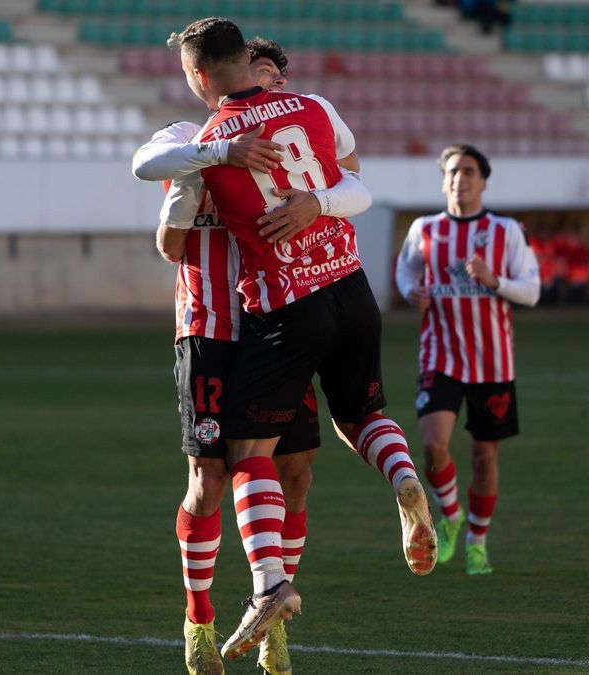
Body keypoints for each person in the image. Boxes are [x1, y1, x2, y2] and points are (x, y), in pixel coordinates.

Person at [166, 17, 438, 662]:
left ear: (201, 75)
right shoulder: (301, 114)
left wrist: (248, 169)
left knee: (256, 455)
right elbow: (357, 178)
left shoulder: (212, 134)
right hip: (324, 297)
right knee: (361, 417)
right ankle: (402, 478)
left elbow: (352, 178)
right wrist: (309, 195)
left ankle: (269, 592)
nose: (277, 81)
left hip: (281, 311)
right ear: (245, 64)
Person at [133, 37, 375, 675]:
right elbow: (165, 234)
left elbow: (349, 184)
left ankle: (272, 616)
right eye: (254, 77)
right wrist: (206, 174)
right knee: (209, 482)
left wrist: (311, 207)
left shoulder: (293, 140)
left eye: (272, 81)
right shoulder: (196, 137)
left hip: (278, 325)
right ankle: (199, 619)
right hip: (211, 330)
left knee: (295, 475)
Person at [394, 145, 540, 575]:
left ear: (483, 181)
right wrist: (410, 291)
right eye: (454, 171)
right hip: (439, 356)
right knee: (434, 445)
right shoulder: (425, 228)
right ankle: (452, 515)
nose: (461, 178)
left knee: (484, 456)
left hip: (492, 363)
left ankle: (477, 539)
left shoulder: (506, 230)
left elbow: (531, 289)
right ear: (444, 181)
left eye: (469, 171)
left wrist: (497, 281)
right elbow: (405, 271)